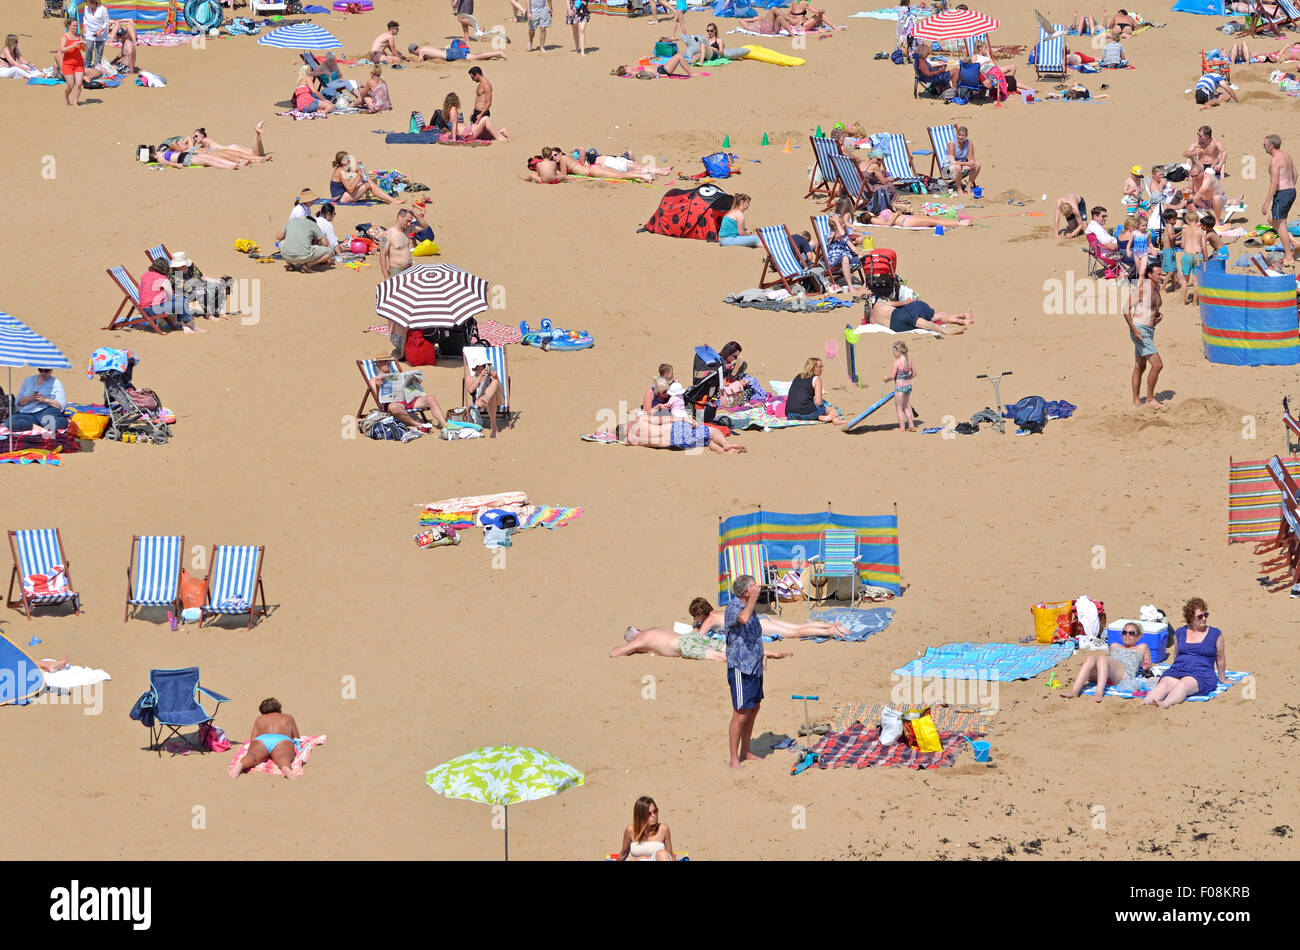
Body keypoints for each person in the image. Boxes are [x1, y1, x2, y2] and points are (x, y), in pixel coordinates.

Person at [1141, 598, 1228, 709]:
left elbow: (1220, 658)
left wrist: (1223, 678)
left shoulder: (1215, 634)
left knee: (1184, 684)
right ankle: (1144, 704)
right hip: (1179, 668)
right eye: (1200, 616)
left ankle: (1165, 704)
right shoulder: (1180, 632)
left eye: (1206, 614)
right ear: (1191, 618)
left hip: (1202, 672)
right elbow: (1176, 655)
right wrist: (1175, 669)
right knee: (1164, 684)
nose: (1204, 618)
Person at [724, 575, 764, 769]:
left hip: (754, 666)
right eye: (754, 586)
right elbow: (743, 618)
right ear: (746, 592)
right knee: (740, 713)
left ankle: (746, 751)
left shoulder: (750, 606)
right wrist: (753, 600)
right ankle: (733, 759)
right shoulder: (734, 606)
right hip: (740, 667)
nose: (758, 588)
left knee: (754, 708)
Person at [1061, 622, 1153, 701]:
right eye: (1124, 632)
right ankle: (1074, 691)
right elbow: (1107, 664)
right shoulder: (1114, 645)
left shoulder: (1142, 647)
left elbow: (1148, 664)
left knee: (1102, 659)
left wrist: (1146, 667)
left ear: (1138, 636)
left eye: (1131, 633)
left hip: (1124, 673)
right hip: (1107, 674)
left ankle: (1099, 692)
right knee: (1090, 659)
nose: (1127, 635)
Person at [689, 597, 851, 640]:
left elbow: (698, 637)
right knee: (797, 626)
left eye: (696, 616)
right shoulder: (716, 612)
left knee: (796, 633)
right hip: (760, 618)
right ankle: (830, 625)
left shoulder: (709, 619)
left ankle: (831, 631)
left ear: (700, 614)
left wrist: (696, 625)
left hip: (756, 625)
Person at [611, 626, 789, 661]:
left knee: (722, 656)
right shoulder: (654, 629)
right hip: (691, 636)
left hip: (684, 646)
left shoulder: (640, 640)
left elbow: (615, 653)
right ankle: (768, 652)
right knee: (729, 648)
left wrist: (630, 647)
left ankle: (759, 659)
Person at [1124, 259, 1164, 408]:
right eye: (1158, 274)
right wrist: (1134, 329)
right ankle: (1150, 398)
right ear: (1149, 274)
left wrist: (1158, 316)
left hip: (1149, 329)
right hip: (1140, 330)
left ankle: (1136, 401)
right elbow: (1125, 309)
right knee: (1158, 365)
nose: (1161, 276)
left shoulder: (1157, 289)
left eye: (1162, 274)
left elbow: (1152, 308)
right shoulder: (1142, 289)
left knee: (1140, 366)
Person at [601, 412, 747, 453]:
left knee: (707, 441)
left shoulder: (631, 441)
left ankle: (725, 452)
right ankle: (726, 445)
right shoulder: (640, 420)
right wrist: (687, 420)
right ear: (626, 425)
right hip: (675, 430)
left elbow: (614, 438)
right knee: (712, 430)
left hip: (674, 443)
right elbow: (666, 419)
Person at [232, 698, 303, 779]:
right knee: (283, 756)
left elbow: (252, 739)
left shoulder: (260, 719)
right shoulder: (288, 717)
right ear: (279, 708)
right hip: (281, 740)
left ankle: (240, 766)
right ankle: (286, 768)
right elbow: (297, 738)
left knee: (253, 756)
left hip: (262, 740)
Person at [139, 258, 206, 332]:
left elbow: (140, 289)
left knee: (181, 300)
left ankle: (186, 328)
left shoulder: (145, 274)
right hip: (154, 309)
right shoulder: (163, 279)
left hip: (144, 309)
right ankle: (194, 327)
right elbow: (170, 297)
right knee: (182, 302)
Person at [369, 367, 447, 431]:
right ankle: (418, 425)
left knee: (431, 398)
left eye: (387, 361)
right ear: (377, 364)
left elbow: (411, 387)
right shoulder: (374, 380)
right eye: (382, 362)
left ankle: (444, 425)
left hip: (410, 399)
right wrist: (378, 386)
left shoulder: (398, 375)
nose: (385, 364)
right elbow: (377, 398)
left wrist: (415, 381)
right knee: (393, 407)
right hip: (396, 404)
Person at [1263, 134, 1297, 268]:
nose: (1263, 147)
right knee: (1272, 219)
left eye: (1264, 144)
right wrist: (1290, 187)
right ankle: (1294, 242)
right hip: (1291, 191)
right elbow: (1296, 173)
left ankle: (1288, 256)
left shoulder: (1275, 160)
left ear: (1271, 146)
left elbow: (1274, 182)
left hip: (1282, 193)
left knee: (1280, 223)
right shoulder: (1286, 155)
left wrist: (1267, 202)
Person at [862, 295, 971, 335]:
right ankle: (948, 327)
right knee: (927, 320)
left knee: (923, 323)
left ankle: (950, 325)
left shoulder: (872, 321)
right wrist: (909, 302)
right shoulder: (879, 304)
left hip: (896, 327)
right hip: (897, 314)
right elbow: (899, 303)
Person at [331, 152, 402, 205]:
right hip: (340, 199)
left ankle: (391, 200)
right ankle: (391, 200)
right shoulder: (341, 171)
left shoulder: (342, 167)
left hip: (344, 194)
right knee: (368, 184)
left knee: (368, 181)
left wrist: (358, 164)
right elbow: (350, 190)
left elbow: (356, 169)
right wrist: (359, 177)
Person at [1178, 213, 1221, 303]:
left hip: (1187, 255)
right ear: (1197, 220)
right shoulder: (1201, 232)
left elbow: (1182, 245)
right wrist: (1206, 259)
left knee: (1185, 280)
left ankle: (1183, 302)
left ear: (1186, 220)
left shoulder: (1184, 231)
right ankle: (1194, 302)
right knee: (1196, 281)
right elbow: (1204, 247)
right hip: (1197, 255)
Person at [786, 358, 843, 424]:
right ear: (813, 368)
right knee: (833, 410)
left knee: (813, 409)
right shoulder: (816, 379)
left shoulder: (798, 376)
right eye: (820, 367)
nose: (822, 369)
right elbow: (819, 402)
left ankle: (821, 417)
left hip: (790, 414)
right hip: (806, 413)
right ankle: (834, 420)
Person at [442, 91, 509, 141]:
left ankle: (501, 132)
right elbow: (454, 125)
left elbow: (457, 125)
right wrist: (454, 140)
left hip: (466, 131)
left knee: (482, 129)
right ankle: (499, 137)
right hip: (465, 135)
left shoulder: (450, 111)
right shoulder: (453, 110)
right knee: (486, 119)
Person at [190, 124, 273, 164]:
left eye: (196, 136)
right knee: (258, 153)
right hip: (232, 147)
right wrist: (194, 141)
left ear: (202, 135)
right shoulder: (205, 142)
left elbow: (192, 150)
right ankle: (258, 134)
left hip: (231, 149)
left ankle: (256, 133)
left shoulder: (205, 141)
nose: (195, 138)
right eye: (194, 137)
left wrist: (193, 142)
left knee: (256, 154)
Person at [465, 360, 505, 438]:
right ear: (475, 367)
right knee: (491, 397)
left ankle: (487, 397)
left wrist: (496, 378)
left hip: (497, 399)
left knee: (495, 382)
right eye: (483, 365)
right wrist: (480, 376)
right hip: (480, 401)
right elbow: (470, 390)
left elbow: (501, 390)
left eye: (486, 365)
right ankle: (494, 428)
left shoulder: (490, 376)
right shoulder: (470, 378)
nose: (485, 367)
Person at [886, 341, 916, 432]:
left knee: (899, 408)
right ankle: (911, 425)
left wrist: (886, 379)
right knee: (906, 406)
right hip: (908, 386)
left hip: (900, 388)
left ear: (898, 351)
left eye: (894, 352)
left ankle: (902, 428)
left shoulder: (897, 363)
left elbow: (892, 376)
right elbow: (914, 374)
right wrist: (907, 378)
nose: (893, 353)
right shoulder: (909, 362)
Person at [945, 126, 980, 194]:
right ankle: (959, 189)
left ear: (966, 136)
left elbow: (971, 159)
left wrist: (971, 163)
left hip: (962, 167)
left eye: (962, 135)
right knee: (957, 167)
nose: (960, 137)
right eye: (959, 135)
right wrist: (967, 164)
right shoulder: (951, 144)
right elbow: (953, 162)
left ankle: (968, 186)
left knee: (978, 165)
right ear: (956, 135)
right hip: (948, 169)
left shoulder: (969, 143)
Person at [58, 18, 85, 108]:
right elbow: (62, 50)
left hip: (78, 63)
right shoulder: (64, 37)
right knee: (70, 84)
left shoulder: (79, 36)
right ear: (69, 26)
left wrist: (83, 45)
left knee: (79, 83)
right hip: (68, 64)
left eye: (76, 26)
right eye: (74, 25)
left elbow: (84, 50)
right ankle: (66, 97)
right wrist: (72, 45)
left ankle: (75, 102)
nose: (76, 27)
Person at [409, 42, 507, 62]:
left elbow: (419, 61)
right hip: (449, 52)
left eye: (413, 53)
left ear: (414, 51)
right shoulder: (425, 48)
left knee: (475, 57)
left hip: (450, 54)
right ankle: (496, 54)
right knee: (475, 56)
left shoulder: (422, 51)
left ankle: (498, 53)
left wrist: (410, 60)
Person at [82, 0, 111, 68]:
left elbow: (106, 22)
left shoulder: (103, 9)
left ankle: (97, 65)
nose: (86, 4)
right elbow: (85, 18)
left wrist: (100, 31)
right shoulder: (86, 8)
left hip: (101, 32)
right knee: (89, 48)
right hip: (89, 31)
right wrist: (84, 28)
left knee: (99, 50)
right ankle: (87, 64)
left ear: (93, 3)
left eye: (88, 2)